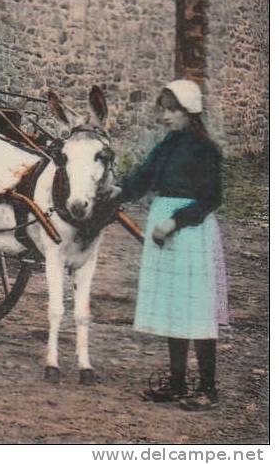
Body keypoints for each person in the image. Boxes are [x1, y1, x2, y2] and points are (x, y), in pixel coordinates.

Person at [113, 80, 228, 411]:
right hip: (163, 227)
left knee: (198, 307)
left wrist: (174, 221)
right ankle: (178, 384)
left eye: (170, 109)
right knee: (175, 307)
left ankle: (208, 388)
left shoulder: (205, 150)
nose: (164, 116)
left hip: (190, 231)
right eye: (163, 109)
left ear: (189, 112)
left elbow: (211, 198)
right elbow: (141, 179)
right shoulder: (167, 145)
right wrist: (115, 192)